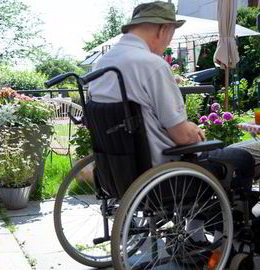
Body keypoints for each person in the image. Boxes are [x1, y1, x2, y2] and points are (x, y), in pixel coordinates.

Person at [88, 1, 254, 242]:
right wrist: (194, 131)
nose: (168, 43)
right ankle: (224, 238)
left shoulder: (101, 65)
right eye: (170, 35)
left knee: (211, 158)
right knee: (240, 159)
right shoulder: (152, 65)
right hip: (161, 173)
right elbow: (181, 136)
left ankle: (194, 235)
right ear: (163, 29)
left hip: (116, 174)